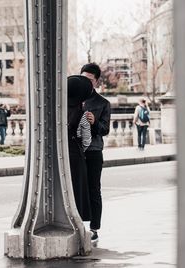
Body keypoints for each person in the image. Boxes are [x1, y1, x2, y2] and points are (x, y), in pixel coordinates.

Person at [80, 63, 111, 243]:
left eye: (90, 80)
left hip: (93, 151)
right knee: (75, 189)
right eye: (83, 79)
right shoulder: (72, 99)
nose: (86, 83)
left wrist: (94, 122)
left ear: (96, 82)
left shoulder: (103, 103)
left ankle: (94, 228)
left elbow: (105, 130)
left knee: (93, 190)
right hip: (75, 151)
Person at [67, 75, 94, 222]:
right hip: (75, 156)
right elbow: (86, 140)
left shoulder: (57, 112)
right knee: (77, 190)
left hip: (60, 155)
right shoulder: (83, 115)